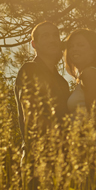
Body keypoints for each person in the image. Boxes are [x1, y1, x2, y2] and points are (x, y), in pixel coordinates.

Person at [15, 21, 71, 153]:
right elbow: (32, 116)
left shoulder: (63, 82)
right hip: (39, 156)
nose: (52, 40)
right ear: (34, 44)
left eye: (55, 36)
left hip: (64, 158)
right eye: (45, 36)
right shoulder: (30, 69)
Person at [64, 28, 96, 117]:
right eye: (71, 46)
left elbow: (95, 116)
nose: (74, 49)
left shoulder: (90, 73)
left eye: (80, 45)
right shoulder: (88, 74)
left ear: (93, 50)